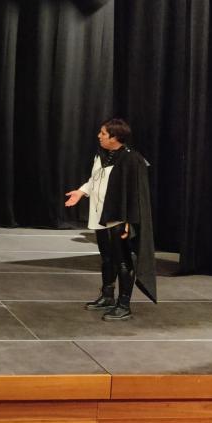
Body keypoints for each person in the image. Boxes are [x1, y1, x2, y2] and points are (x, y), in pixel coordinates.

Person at [65, 118, 156, 320]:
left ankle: (124, 305)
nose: (99, 136)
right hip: (101, 216)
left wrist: (129, 221)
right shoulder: (101, 155)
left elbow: (136, 194)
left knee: (123, 261)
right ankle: (107, 296)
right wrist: (81, 192)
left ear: (115, 137)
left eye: (103, 133)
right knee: (107, 258)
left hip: (118, 218)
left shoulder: (132, 159)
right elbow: (95, 180)